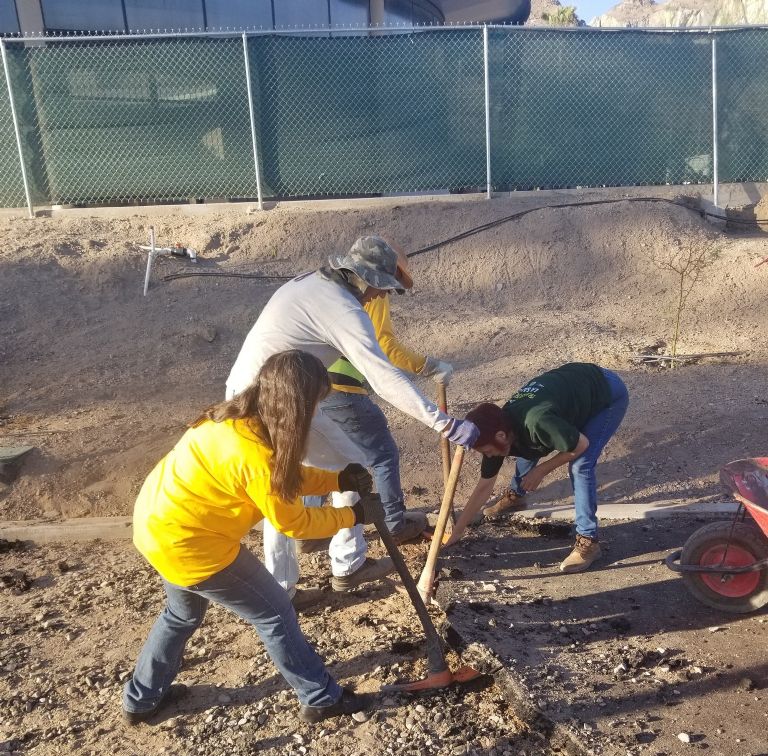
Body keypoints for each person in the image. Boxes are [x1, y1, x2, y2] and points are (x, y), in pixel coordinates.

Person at [123, 352, 376, 726]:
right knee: (274, 612)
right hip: (193, 546)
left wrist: (335, 480)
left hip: (156, 525)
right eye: (315, 405)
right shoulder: (256, 455)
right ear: (297, 406)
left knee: (180, 614)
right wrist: (352, 515)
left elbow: (281, 480)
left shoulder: (231, 418)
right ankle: (319, 697)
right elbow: (296, 522)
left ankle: (141, 700)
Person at [226, 235, 478, 596]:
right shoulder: (342, 308)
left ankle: (346, 564)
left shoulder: (311, 284)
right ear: (366, 279)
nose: (380, 297)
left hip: (282, 395)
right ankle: (288, 589)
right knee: (284, 488)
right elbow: (382, 374)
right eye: (382, 289)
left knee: (347, 468)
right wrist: (445, 424)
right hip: (267, 402)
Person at [447, 363, 629, 573]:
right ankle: (517, 496)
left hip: (605, 393)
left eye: (486, 450)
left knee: (581, 466)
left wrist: (541, 471)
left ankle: (589, 541)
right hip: (572, 390)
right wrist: (459, 529)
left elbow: (581, 445)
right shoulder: (498, 428)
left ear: (500, 436)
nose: (487, 455)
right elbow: (484, 486)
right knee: (525, 448)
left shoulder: (537, 422)